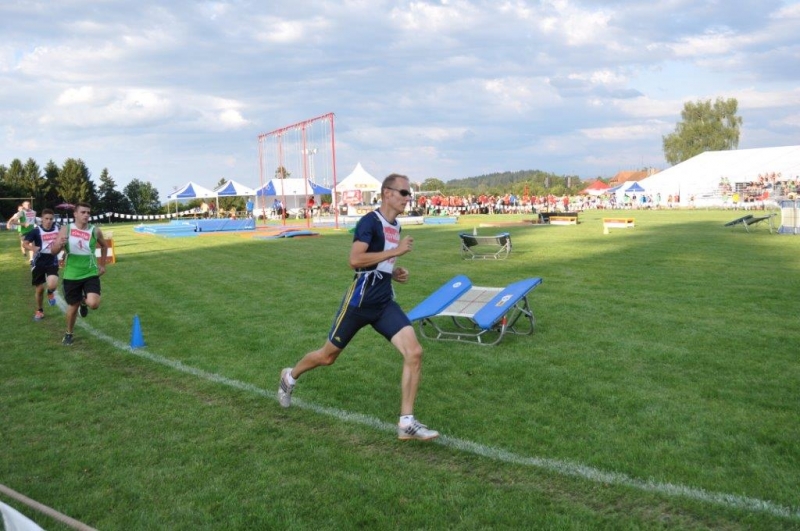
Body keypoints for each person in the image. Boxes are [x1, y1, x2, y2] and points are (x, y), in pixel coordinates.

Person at [278, 174, 439, 441]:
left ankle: (407, 422)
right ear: (387, 193)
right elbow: (355, 260)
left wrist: (393, 271)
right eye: (403, 192)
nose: (407, 198)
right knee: (327, 357)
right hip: (359, 302)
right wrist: (395, 252)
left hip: (383, 302)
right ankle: (290, 376)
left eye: (408, 193)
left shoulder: (395, 226)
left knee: (414, 352)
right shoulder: (369, 222)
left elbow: (377, 262)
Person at [50, 202, 108, 346]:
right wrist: (60, 244)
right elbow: (53, 251)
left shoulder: (95, 230)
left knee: (94, 303)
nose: (86, 215)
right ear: (75, 214)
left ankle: (84, 302)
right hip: (72, 274)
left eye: (88, 212)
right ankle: (69, 333)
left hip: (90, 272)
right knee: (73, 306)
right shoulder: (66, 229)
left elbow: (104, 246)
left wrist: (102, 264)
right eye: (83, 212)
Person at [23, 209, 61, 321]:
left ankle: (50, 292)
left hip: (52, 260)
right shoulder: (36, 231)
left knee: (52, 285)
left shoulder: (58, 229)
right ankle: (40, 310)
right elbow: (25, 243)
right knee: (39, 289)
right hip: (39, 262)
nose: (48, 221)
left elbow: (65, 240)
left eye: (51, 219)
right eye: (46, 219)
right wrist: (32, 248)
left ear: (53, 219)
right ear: (42, 219)